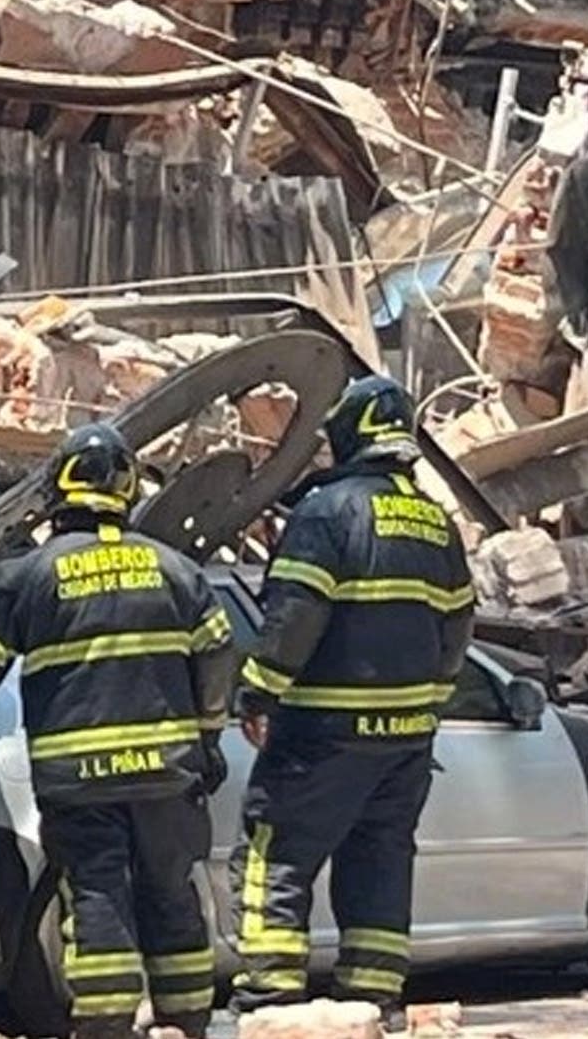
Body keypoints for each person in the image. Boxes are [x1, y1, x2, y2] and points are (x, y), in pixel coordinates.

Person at [0, 425, 233, 1039]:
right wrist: (208, 738)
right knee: (171, 892)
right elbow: (217, 655)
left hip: (78, 781)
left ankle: (104, 1025)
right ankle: (187, 1021)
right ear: (128, 490)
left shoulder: (28, 577)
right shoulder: (177, 571)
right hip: (166, 772)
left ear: (58, 493)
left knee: (97, 894)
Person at [227, 375, 476, 1022]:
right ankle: (371, 1001)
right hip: (406, 742)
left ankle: (272, 999)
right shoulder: (436, 524)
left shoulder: (327, 514)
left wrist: (259, 691)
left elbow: (296, 616)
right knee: (380, 860)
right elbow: (457, 630)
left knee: (277, 854)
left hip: (324, 732)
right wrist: (427, 703)